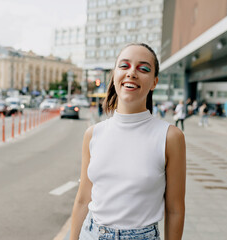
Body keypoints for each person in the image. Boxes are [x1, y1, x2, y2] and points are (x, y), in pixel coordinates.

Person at [70, 43, 186, 240]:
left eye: (144, 69)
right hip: (90, 233)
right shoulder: (93, 134)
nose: (132, 73)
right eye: (124, 66)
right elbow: (82, 200)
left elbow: (175, 209)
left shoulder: (170, 137)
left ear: (154, 82)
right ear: (114, 74)